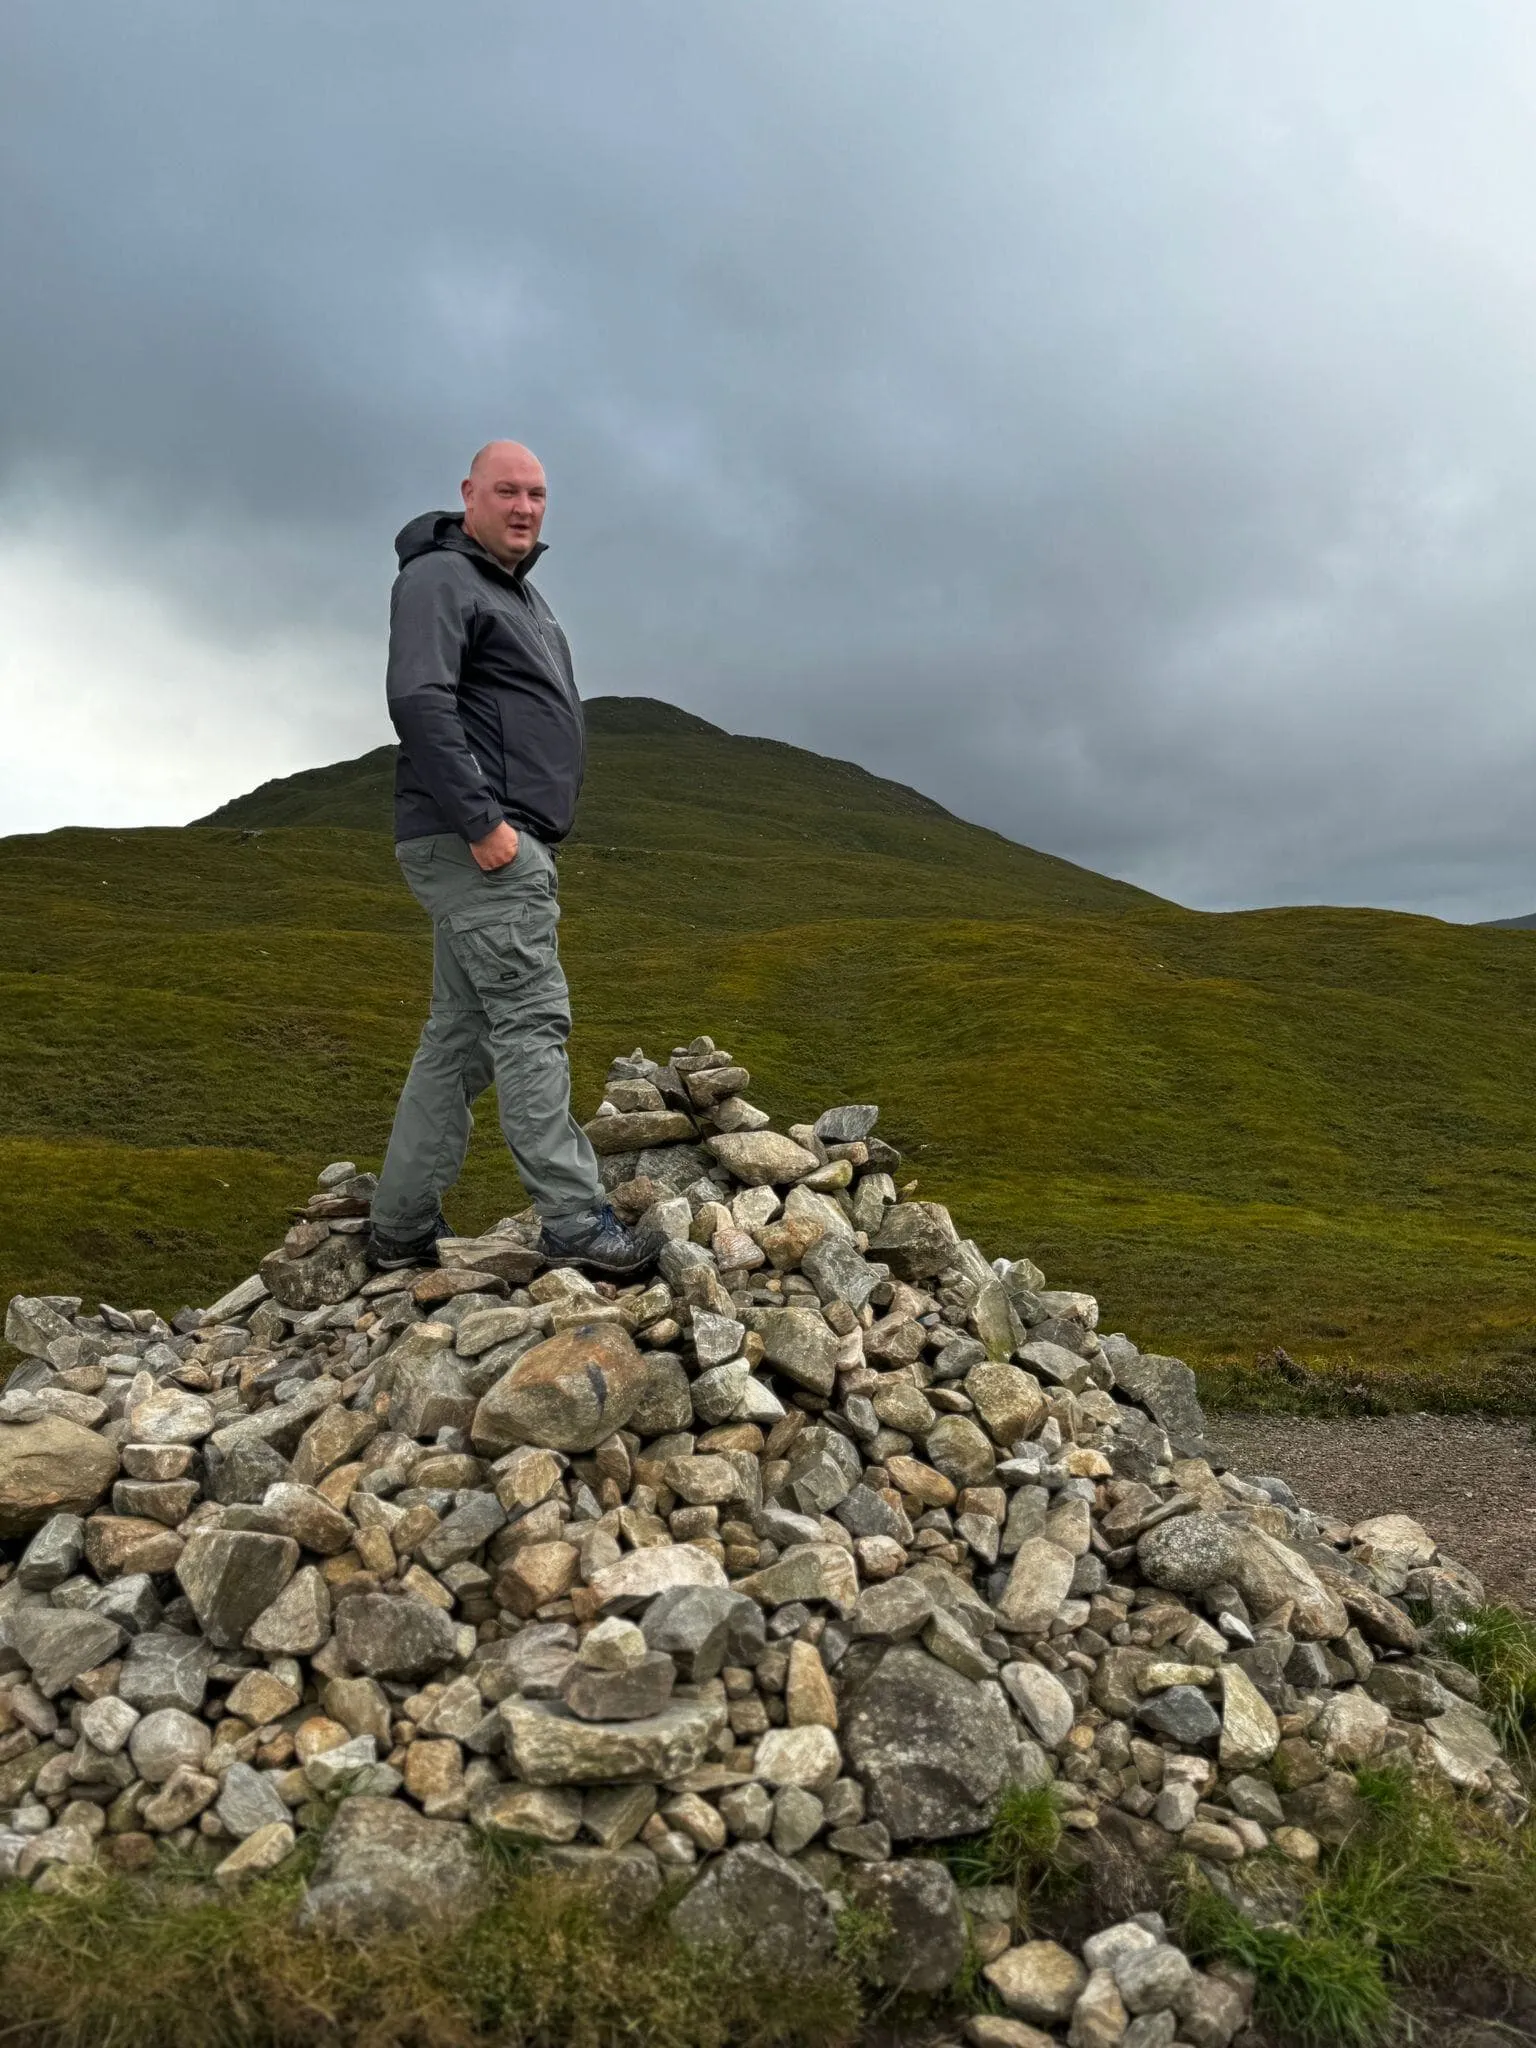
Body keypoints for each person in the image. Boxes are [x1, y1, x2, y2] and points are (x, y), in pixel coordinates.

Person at [365, 440, 646, 1276]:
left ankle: (399, 1226)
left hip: (490, 842)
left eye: (538, 495)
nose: (525, 508)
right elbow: (418, 697)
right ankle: (573, 1222)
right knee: (531, 1022)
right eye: (508, 492)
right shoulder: (441, 578)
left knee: (459, 1039)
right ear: (469, 495)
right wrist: (485, 823)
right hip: (480, 845)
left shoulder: (511, 591)